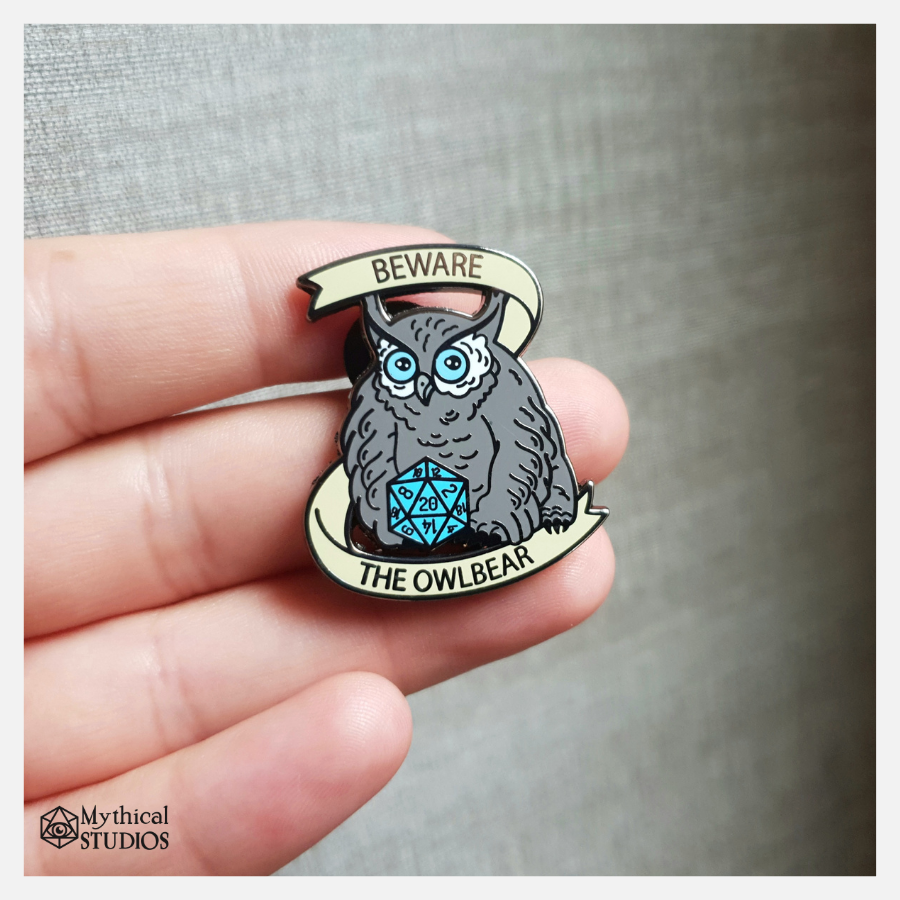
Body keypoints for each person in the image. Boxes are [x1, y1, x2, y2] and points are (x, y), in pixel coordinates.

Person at [24, 221, 629, 875]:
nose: (427, 386)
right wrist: (395, 529)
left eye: (452, 366)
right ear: (383, 357)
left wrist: (508, 519)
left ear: (481, 356)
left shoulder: (508, 399)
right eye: (405, 367)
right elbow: (371, 474)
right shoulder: (377, 409)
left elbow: (526, 459)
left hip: (493, 516)